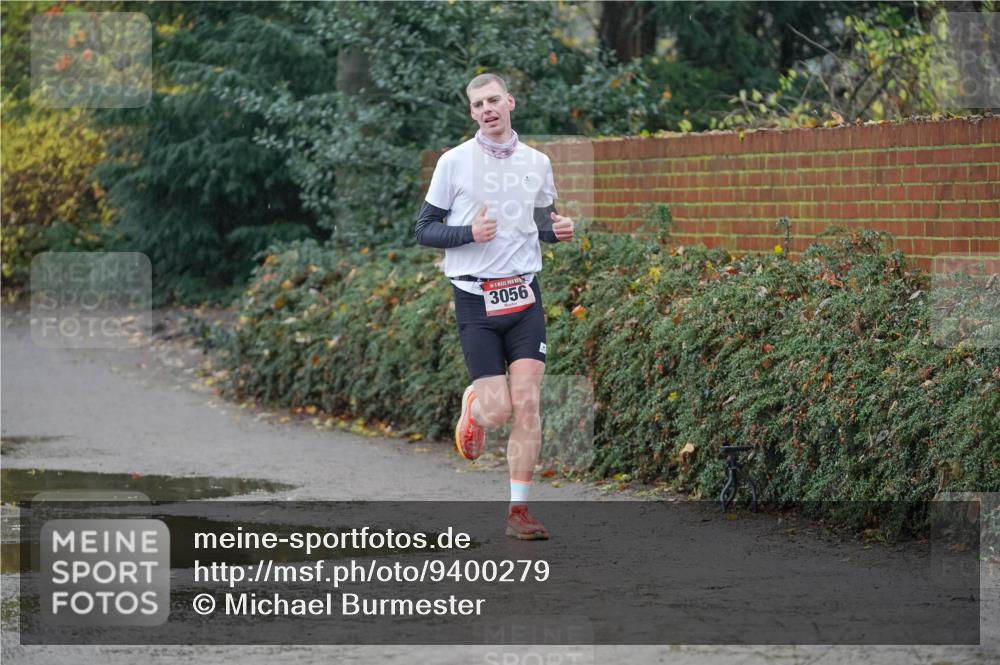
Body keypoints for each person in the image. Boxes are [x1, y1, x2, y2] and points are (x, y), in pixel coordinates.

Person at [414, 73, 575, 540]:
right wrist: (469, 234)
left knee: (527, 404)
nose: (486, 109)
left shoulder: (537, 162)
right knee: (499, 411)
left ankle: (518, 512)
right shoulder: (454, 163)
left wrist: (557, 229)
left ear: (510, 102)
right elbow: (424, 230)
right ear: (471, 113)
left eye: (493, 100)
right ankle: (475, 406)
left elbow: (540, 221)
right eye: (477, 103)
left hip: (524, 296)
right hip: (474, 299)